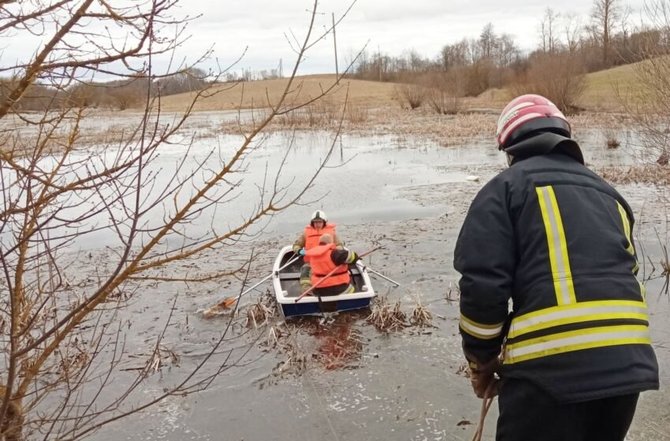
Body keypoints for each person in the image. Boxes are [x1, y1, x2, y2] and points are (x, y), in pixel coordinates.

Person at [453, 94, 659, 441]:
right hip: (628, 372)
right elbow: (628, 276)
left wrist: (481, 364)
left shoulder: (503, 190)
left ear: (509, 148)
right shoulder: (611, 196)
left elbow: (482, 288)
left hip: (549, 376)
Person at [293, 210, 342, 289]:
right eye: (315, 222)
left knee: (336, 273)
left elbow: (340, 245)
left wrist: (337, 252)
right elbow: (296, 245)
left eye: (319, 222)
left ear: (324, 222)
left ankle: (334, 287)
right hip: (311, 262)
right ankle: (307, 290)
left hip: (328, 261)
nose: (317, 224)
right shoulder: (306, 233)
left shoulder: (332, 233)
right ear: (312, 223)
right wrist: (299, 251)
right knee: (305, 272)